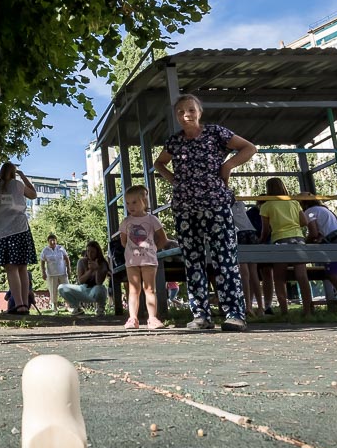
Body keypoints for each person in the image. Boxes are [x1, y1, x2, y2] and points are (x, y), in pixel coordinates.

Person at [152, 94, 257, 331]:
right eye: (180, 112)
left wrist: (227, 165)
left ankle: (235, 314)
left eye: (190, 110)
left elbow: (249, 148)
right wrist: (174, 180)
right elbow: (159, 163)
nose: (185, 115)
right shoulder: (174, 142)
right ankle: (201, 315)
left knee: (225, 258)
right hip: (185, 208)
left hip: (217, 205)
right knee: (193, 260)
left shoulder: (215, 133)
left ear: (199, 112)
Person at [0, 162, 38, 314]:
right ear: (14, 173)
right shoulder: (17, 185)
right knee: (22, 268)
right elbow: (34, 194)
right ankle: (24, 305)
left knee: (11, 269)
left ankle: (18, 304)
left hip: (1, 231)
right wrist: (23, 177)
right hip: (20, 229)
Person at [259, 177, 313, 317]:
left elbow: (266, 230)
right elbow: (304, 221)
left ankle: (284, 311)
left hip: (279, 239)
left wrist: (261, 240)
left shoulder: (266, 206)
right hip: (298, 238)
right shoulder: (294, 202)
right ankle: (307, 310)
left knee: (279, 277)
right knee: (302, 275)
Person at [119, 185, 171, 329]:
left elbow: (163, 238)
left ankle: (152, 318)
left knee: (149, 288)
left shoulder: (152, 220)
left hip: (149, 260)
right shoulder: (126, 222)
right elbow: (123, 241)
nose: (130, 206)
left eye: (134, 202)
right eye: (128, 203)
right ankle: (132, 318)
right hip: (131, 261)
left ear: (144, 202)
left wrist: (153, 248)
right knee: (133, 289)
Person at [232, 199, 265, 317]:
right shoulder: (240, 203)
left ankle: (248, 307)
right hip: (251, 232)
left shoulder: (223, 202)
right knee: (254, 273)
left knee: (244, 274)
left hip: (238, 233)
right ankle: (261, 307)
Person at [58, 240, 110, 316]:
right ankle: (76, 307)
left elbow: (99, 282)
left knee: (101, 288)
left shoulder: (103, 263)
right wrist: (90, 270)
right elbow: (81, 281)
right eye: (88, 251)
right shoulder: (82, 262)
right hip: (83, 288)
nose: (90, 254)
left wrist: (97, 270)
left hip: (95, 290)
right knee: (61, 287)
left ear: (97, 252)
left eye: (92, 252)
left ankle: (100, 308)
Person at [39, 234, 71, 314]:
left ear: (56, 241)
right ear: (48, 242)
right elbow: (42, 262)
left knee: (66, 289)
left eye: (54, 240)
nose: (53, 242)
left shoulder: (60, 248)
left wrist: (69, 270)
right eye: (51, 241)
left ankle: (68, 306)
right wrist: (43, 272)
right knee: (53, 290)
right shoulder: (45, 250)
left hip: (62, 272)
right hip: (51, 274)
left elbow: (67, 259)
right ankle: (55, 307)